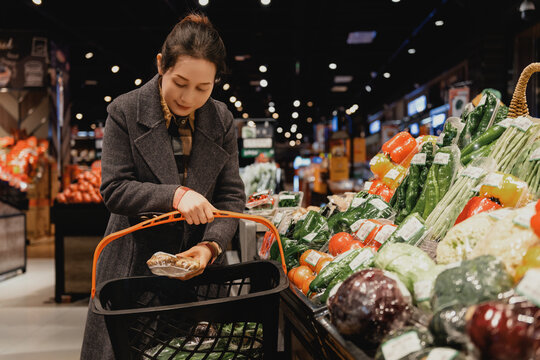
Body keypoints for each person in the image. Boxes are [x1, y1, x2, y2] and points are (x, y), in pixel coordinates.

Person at [81, 13, 245, 359]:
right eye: (180, 82)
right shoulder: (124, 111)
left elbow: (230, 196)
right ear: (161, 65)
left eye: (204, 88)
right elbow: (114, 189)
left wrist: (209, 248)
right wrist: (175, 195)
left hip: (196, 275)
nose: (189, 98)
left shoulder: (221, 120)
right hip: (133, 268)